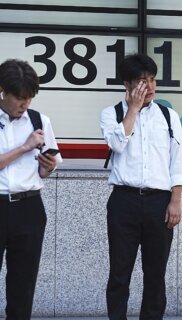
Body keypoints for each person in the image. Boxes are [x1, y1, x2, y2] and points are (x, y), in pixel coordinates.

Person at [100, 53, 182, 320]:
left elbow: (176, 161)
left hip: (159, 203)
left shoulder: (169, 116)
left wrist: (176, 201)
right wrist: (133, 110)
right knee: (119, 273)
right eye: (140, 81)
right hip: (123, 201)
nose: (148, 87)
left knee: (155, 273)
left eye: (152, 80)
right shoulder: (111, 114)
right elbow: (116, 144)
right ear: (126, 85)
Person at [0, 59, 61, 319]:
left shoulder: (39, 120)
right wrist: (24, 148)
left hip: (29, 207)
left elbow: (47, 171)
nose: (26, 104)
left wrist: (47, 167)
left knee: (23, 285)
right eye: (20, 98)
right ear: (3, 90)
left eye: (30, 98)